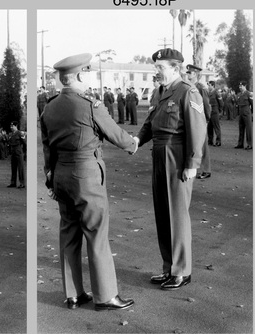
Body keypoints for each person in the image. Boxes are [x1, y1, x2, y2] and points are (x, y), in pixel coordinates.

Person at [41, 53, 137, 311]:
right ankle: (105, 296)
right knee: (96, 233)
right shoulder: (90, 105)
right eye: (88, 73)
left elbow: (47, 147)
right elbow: (117, 135)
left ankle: (73, 295)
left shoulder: (49, 106)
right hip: (86, 175)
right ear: (81, 76)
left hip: (60, 174)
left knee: (69, 234)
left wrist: (50, 177)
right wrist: (133, 143)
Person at [137, 48, 206, 290]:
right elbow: (150, 122)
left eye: (160, 68)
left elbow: (197, 130)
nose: (156, 72)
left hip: (177, 156)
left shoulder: (187, 92)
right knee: (163, 215)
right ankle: (169, 268)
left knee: (177, 216)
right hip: (158, 154)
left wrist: (192, 164)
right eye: (156, 68)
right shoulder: (159, 92)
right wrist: (137, 140)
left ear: (175, 69)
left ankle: (182, 271)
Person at [185, 64, 212, 180]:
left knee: (203, 145)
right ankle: (196, 168)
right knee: (195, 145)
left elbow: (206, 105)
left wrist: (206, 120)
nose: (188, 74)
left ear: (195, 74)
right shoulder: (188, 86)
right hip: (193, 120)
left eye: (189, 73)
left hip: (201, 121)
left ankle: (206, 170)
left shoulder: (201, 88)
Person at [7, 121, 26, 188]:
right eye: (10, 126)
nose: (11, 127)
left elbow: (25, 143)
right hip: (13, 153)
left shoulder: (20, 133)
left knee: (20, 168)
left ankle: (22, 183)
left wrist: (24, 152)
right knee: (13, 168)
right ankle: (13, 183)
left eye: (12, 126)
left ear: (16, 126)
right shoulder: (11, 134)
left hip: (19, 152)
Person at [235, 81, 253, 150]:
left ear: (245, 86)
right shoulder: (239, 94)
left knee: (248, 129)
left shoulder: (248, 94)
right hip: (241, 113)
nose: (240, 87)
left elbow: (252, 104)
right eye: (239, 86)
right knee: (241, 129)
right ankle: (240, 144)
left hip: (247, 113)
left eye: (241, 86)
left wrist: (252, 113)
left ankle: (249, 144)